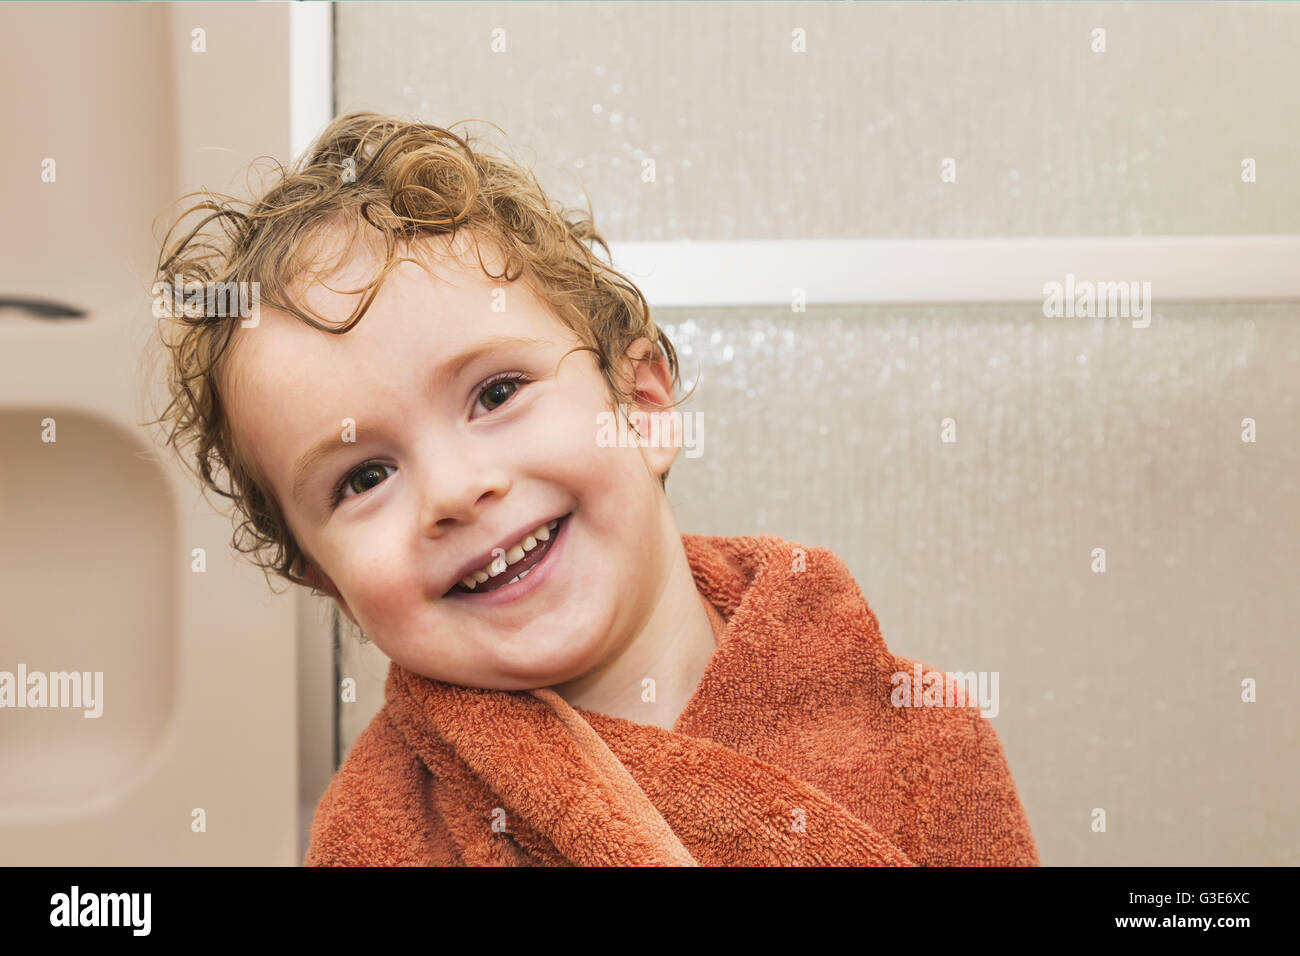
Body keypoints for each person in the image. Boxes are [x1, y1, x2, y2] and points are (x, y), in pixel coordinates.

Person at [149, 112, 1039, 866]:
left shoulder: (923, 741)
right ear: (323, 579)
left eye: (496, 393)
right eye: (364, 476)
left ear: (643, 403)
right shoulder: (379, 837)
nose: (455, 491)